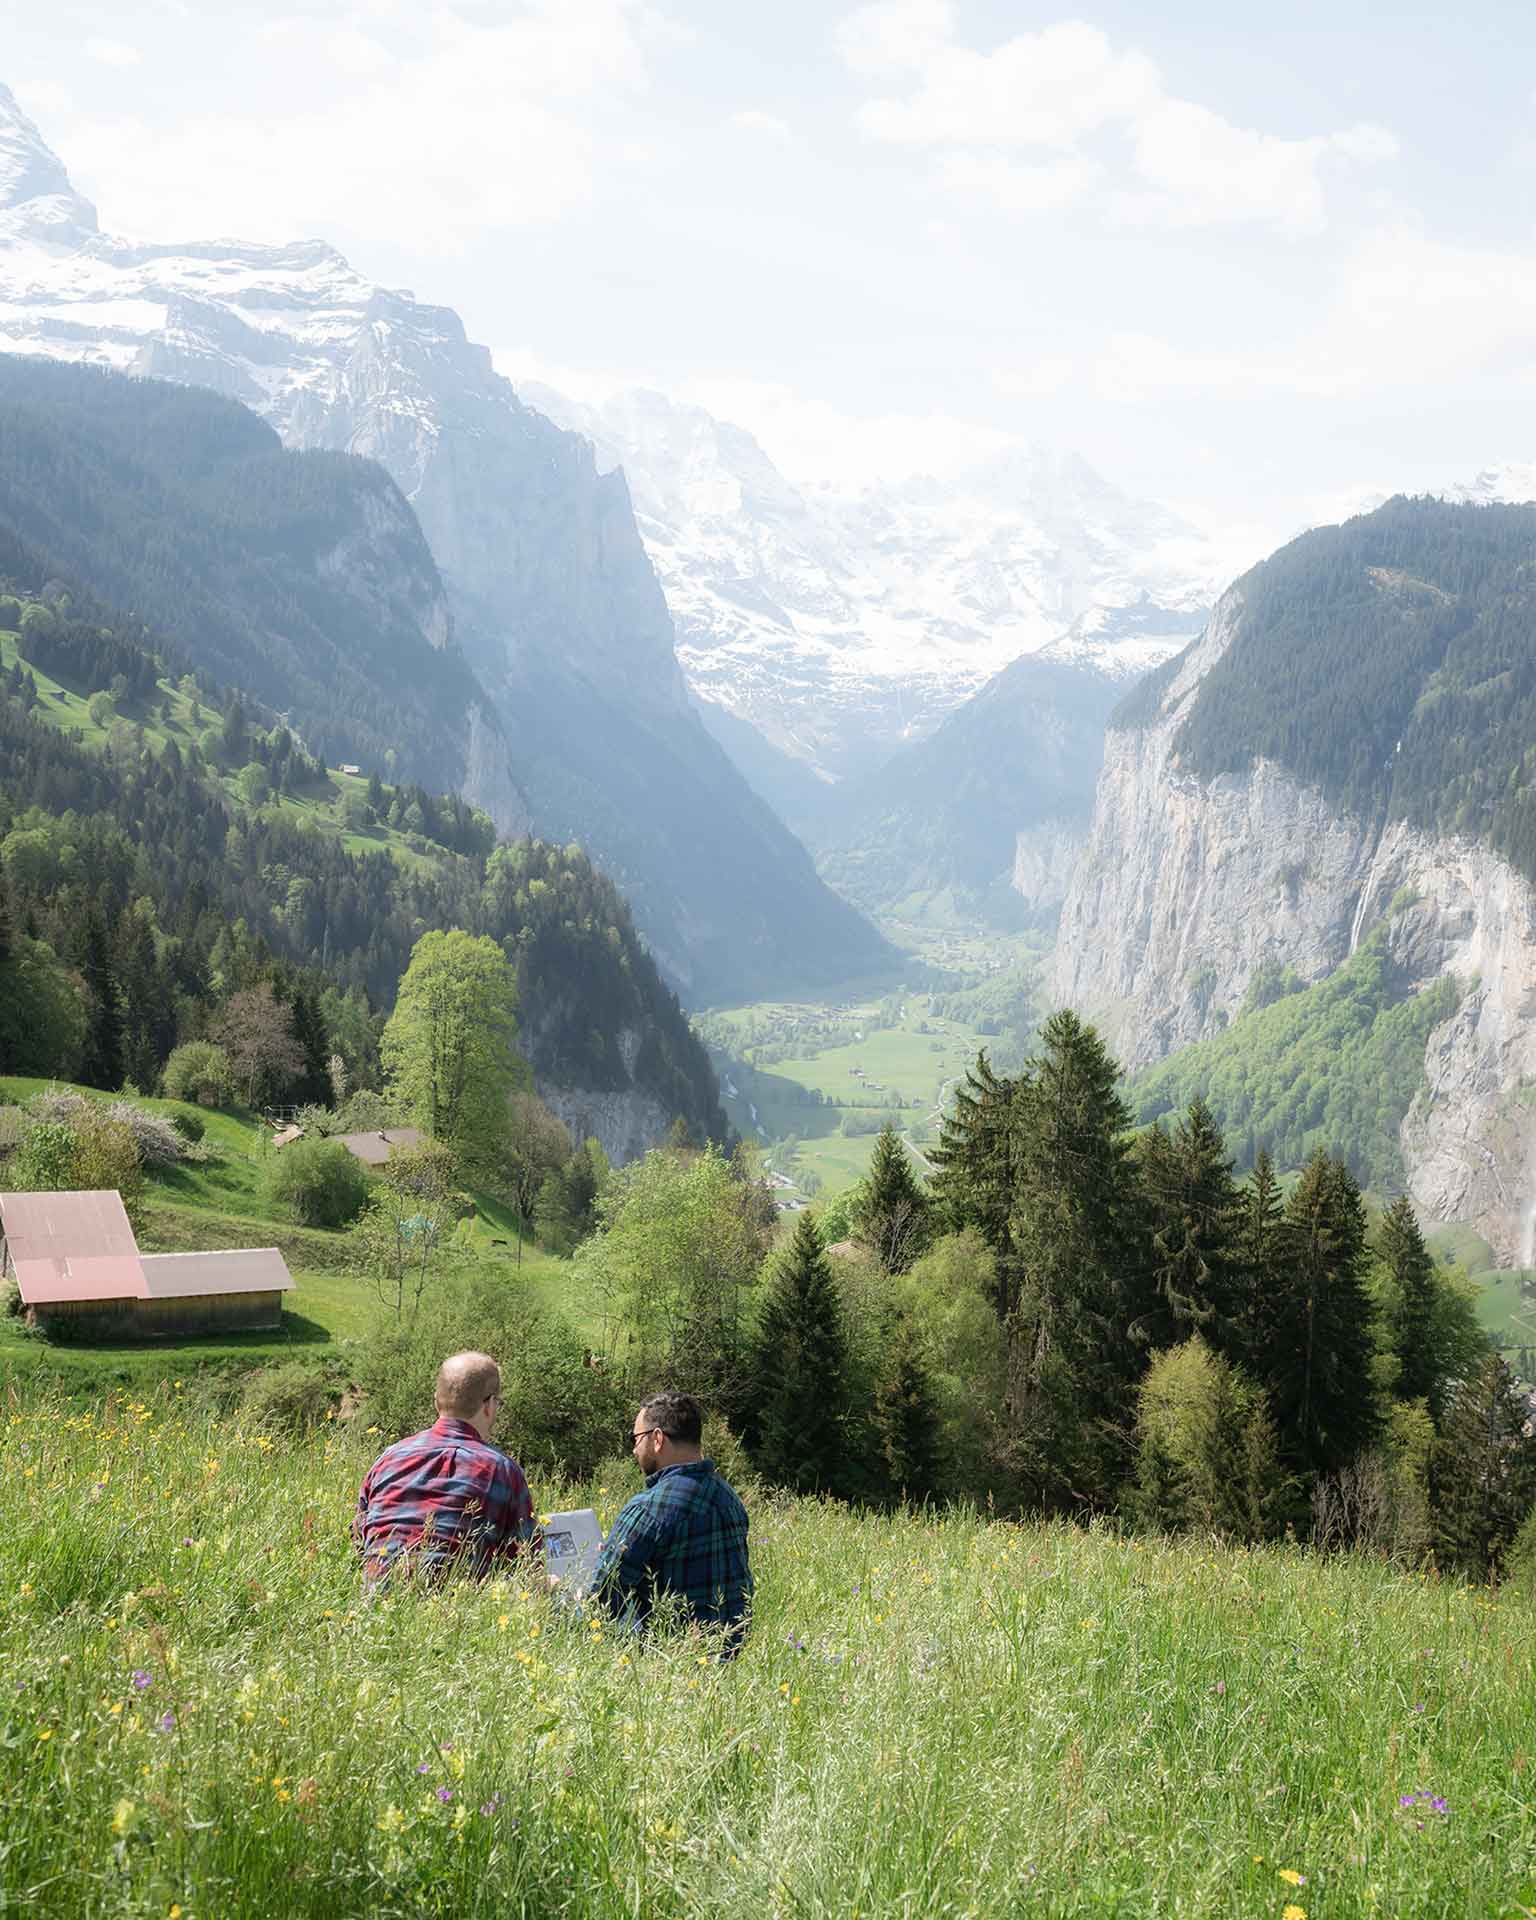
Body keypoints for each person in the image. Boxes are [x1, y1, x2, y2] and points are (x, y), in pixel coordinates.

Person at [589, 1391, 752, 1654]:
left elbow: (598, 1603)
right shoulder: (729, 1498)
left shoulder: (648, 1508)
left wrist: (558, 1594)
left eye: (636, 1439)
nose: (634, 1449)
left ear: (657, 1439)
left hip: (669, 1668)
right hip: (728, 1665)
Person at [354, 1351, 536, 1583]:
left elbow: (361, 1542)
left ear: (436, 1402)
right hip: (452, 1610)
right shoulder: (502, 1470)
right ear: (489, 1405)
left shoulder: (388, 1459)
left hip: (377, 1609)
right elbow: (526, 1561)